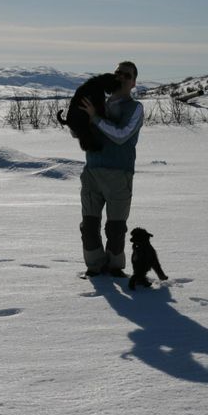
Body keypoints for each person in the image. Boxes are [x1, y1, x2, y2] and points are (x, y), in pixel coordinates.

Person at [78, 61, 144, 277]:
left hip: (119, 175)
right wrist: (78, 121)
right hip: (92, 173)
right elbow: (79, 133)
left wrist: (95, 118)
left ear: (133, 82)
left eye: (127, 74)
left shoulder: (135, 108)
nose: (121, 77)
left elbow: (121, 135)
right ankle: (94, 266)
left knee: (115, 229)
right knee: (88, 226)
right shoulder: (97, 103)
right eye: (118, 72)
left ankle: (115, 267)